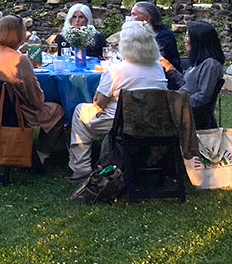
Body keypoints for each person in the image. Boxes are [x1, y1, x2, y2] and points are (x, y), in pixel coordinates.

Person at [67, 20, 168, 180]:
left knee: (81, 111)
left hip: (121, 123)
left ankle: (81, 168)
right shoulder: (157, 68)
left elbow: (99, 103)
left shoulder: (117, 70)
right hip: (152, 122)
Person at [0, 16, 65, 163]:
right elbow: (36, 101)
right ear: (19, 34)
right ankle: (42, 154)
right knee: (56, 109)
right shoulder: (19, 60)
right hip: (15, 113)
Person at [183, 21, 226, 121]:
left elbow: (202, 97)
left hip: (196, 117)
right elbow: (185, 86)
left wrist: (177, 102)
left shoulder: (210, 65)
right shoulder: (197, 62)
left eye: (187, 36)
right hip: (185, 110)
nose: (185, 40)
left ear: (198, 40)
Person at [132, 1, 182, 73]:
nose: (130, 18)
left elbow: (152, 59)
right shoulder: (139, 33)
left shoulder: (164, 36)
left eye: (133, 15)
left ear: (146, 18)